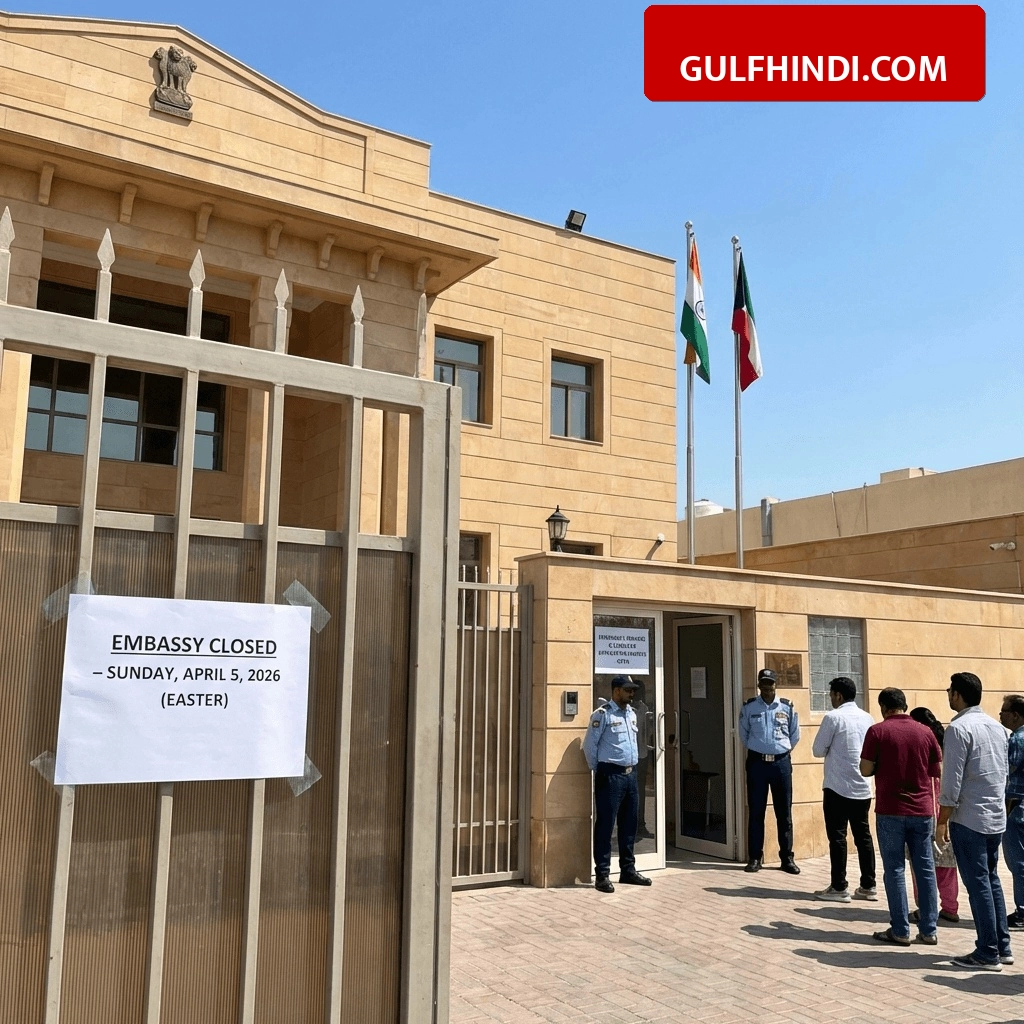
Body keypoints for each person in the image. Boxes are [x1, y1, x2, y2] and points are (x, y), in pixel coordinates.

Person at [939, 672, 1011, 971]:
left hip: (969, 818)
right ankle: (1001, 946)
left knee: (979, 884)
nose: (948, 694)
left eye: (949, 690)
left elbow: (951, 781)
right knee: (990, 880)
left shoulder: (958, 728)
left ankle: (987, 952)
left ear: (957, 694)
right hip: (994, 816)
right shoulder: (997, 727)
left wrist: (941, 821)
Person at [860, 687, 941, 947]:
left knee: (894, 869)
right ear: (905, 705)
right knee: (925, 868)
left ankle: (900, 929)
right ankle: (929, 930)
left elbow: (865, 769)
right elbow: (936, 770)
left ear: (884, 707)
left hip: (890, 809)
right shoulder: (925, 731)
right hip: (922, 810)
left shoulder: (877, 731)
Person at [582, 675, 651, 893]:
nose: (632, 694)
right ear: (616, 691)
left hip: (630, 774)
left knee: (629, 825)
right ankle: (602, 874)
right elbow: (589, 746)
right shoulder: (602, 714)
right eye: (627, 690)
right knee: (605, 825)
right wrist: (601, 769)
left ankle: (627, 870)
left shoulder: (632, 713)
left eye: (633, 690)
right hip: (610, 775)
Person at [811, 676, 877, 902]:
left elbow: (818, 750)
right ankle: (868, 885)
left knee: (838, 837)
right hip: (863, 787)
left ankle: (839, 887)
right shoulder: (868, 717)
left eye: (831, 695)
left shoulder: (833, 717)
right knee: (863, 836)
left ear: (838, 695)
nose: (831, 699)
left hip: (837, 787)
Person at [738, 668, 800, 874]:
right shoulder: (749, 707)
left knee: (784, 813)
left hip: (780, 763)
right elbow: (744, 734)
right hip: (757, 763)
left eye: (770, 683)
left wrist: (778, 750)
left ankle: (787, 858)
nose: (767, 687)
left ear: (775, 684)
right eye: (763, 683)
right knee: (756, 811)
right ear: (758, 685)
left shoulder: (787, 707)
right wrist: (761, 748)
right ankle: (755, 857)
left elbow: (794, 735)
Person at [906, 707, 959, 924]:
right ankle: (950, 907)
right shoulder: (948, 747)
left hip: (924, 811)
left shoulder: (920, 746)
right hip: (947, 812)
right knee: (946, 865)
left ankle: (925, 908)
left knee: (921, 865)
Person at [999, 694, 1024, 930]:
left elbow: (1007, 771)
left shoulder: (1017, 739)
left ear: (1015, 715)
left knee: (1018, 862)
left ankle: (1022, 912)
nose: (1000, 716)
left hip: (1017, 805)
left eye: (1004, 711)